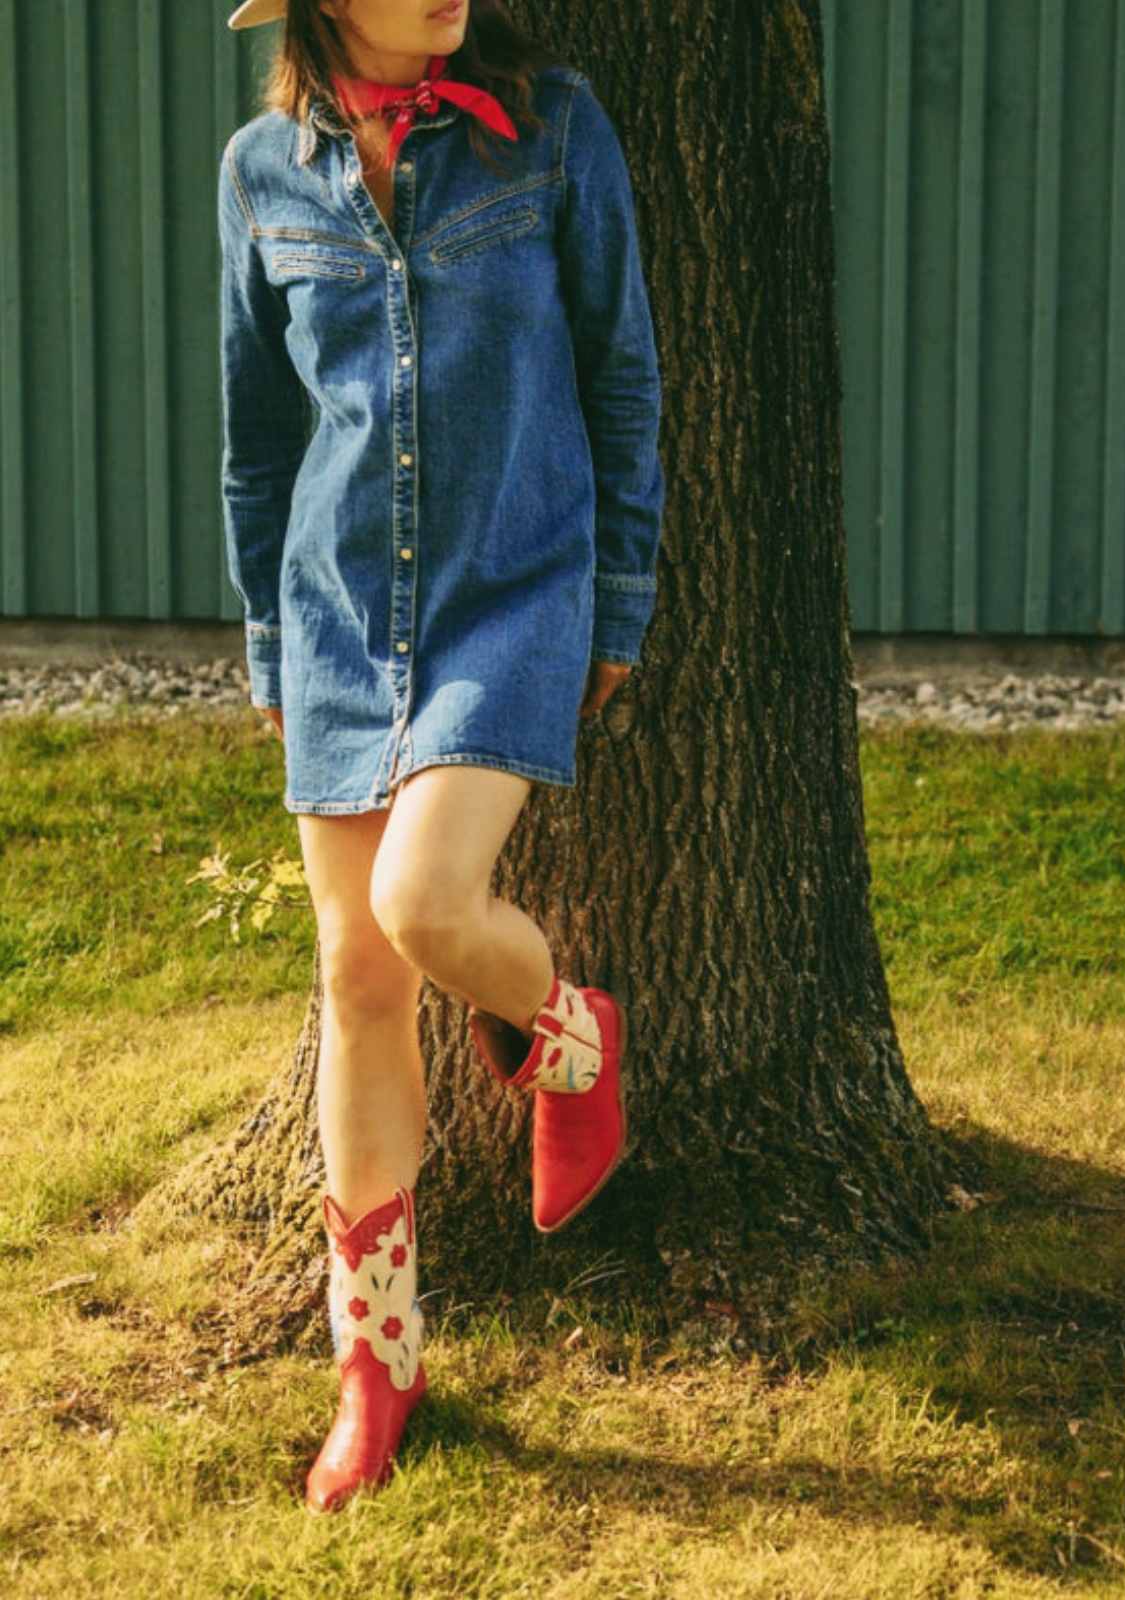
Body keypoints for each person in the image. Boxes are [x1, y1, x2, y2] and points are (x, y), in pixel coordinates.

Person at [219, 0, 663, 1512]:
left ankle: (573, 1033)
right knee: (356, 981)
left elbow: (622, 371)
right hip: (337, 614)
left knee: (424, 909)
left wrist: (621, 597)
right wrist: (272, 649)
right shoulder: (261, 172)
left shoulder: (555, 130)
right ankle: (379, 1361)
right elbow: (258, 441)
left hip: (510, 597)